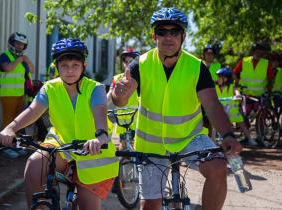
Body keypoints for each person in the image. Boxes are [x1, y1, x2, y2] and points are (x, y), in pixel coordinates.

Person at [111, 7, 242, 210]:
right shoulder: (140, 64)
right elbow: (119, 100)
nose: (168, 37)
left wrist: (228, 134)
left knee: (218, 167)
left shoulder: (196, 67)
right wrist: (118, 95)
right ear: (154, 35)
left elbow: (212, 106)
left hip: (189, 137)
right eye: (162, 32)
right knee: (150, 205)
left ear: (183, 36)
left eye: (174, 32)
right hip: (150, 144)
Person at [0, 38, 119, 210]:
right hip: (62, 144)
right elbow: (33, 111)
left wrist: (100, 136)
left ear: (83, 66)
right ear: (57, 66)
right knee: (34, 165)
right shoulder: (50, 88)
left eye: (75, 65)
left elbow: (99, 111)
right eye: (64, 66)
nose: (70, 71)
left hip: (95, 151)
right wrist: (10, 128)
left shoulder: (95, 88)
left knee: (87, 206)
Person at [0, 32, 35, 158]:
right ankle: (5, 147)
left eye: (22, 45)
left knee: (17, 122)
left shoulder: (23, 59)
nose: (20, 47)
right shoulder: (4, 56)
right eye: (18, 44)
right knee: (8, 121)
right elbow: (7, 68)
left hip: (20, 95)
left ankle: (14, 144)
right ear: (12, 43)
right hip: (7, 94)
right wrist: (20, 60)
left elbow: (32, 70)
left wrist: (27, 60)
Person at [215, 67, 257, 146]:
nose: (218, 79)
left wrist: (238, 96)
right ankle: (215, 140)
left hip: (233, 112)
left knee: (242, 125)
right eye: (218, 77)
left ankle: (250, 139)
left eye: (220, 77)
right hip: (221, 111)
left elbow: (237, 93)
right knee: (217, 126)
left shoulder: (231, 87)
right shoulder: (216, 87)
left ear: (226, 78)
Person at [233, 42, 274, 117]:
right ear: (253, 52)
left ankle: (261, 127)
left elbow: (271, 79)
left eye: (261, 53)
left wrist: (269, 91)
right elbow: (234, 73)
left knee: (261, 116)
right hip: (245, 94)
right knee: (243, 115)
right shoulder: (244, 61)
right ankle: (243, 127)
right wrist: (237, 82)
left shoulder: (266, 63)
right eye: (257, 52)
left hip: (259, 95)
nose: (259, 54)